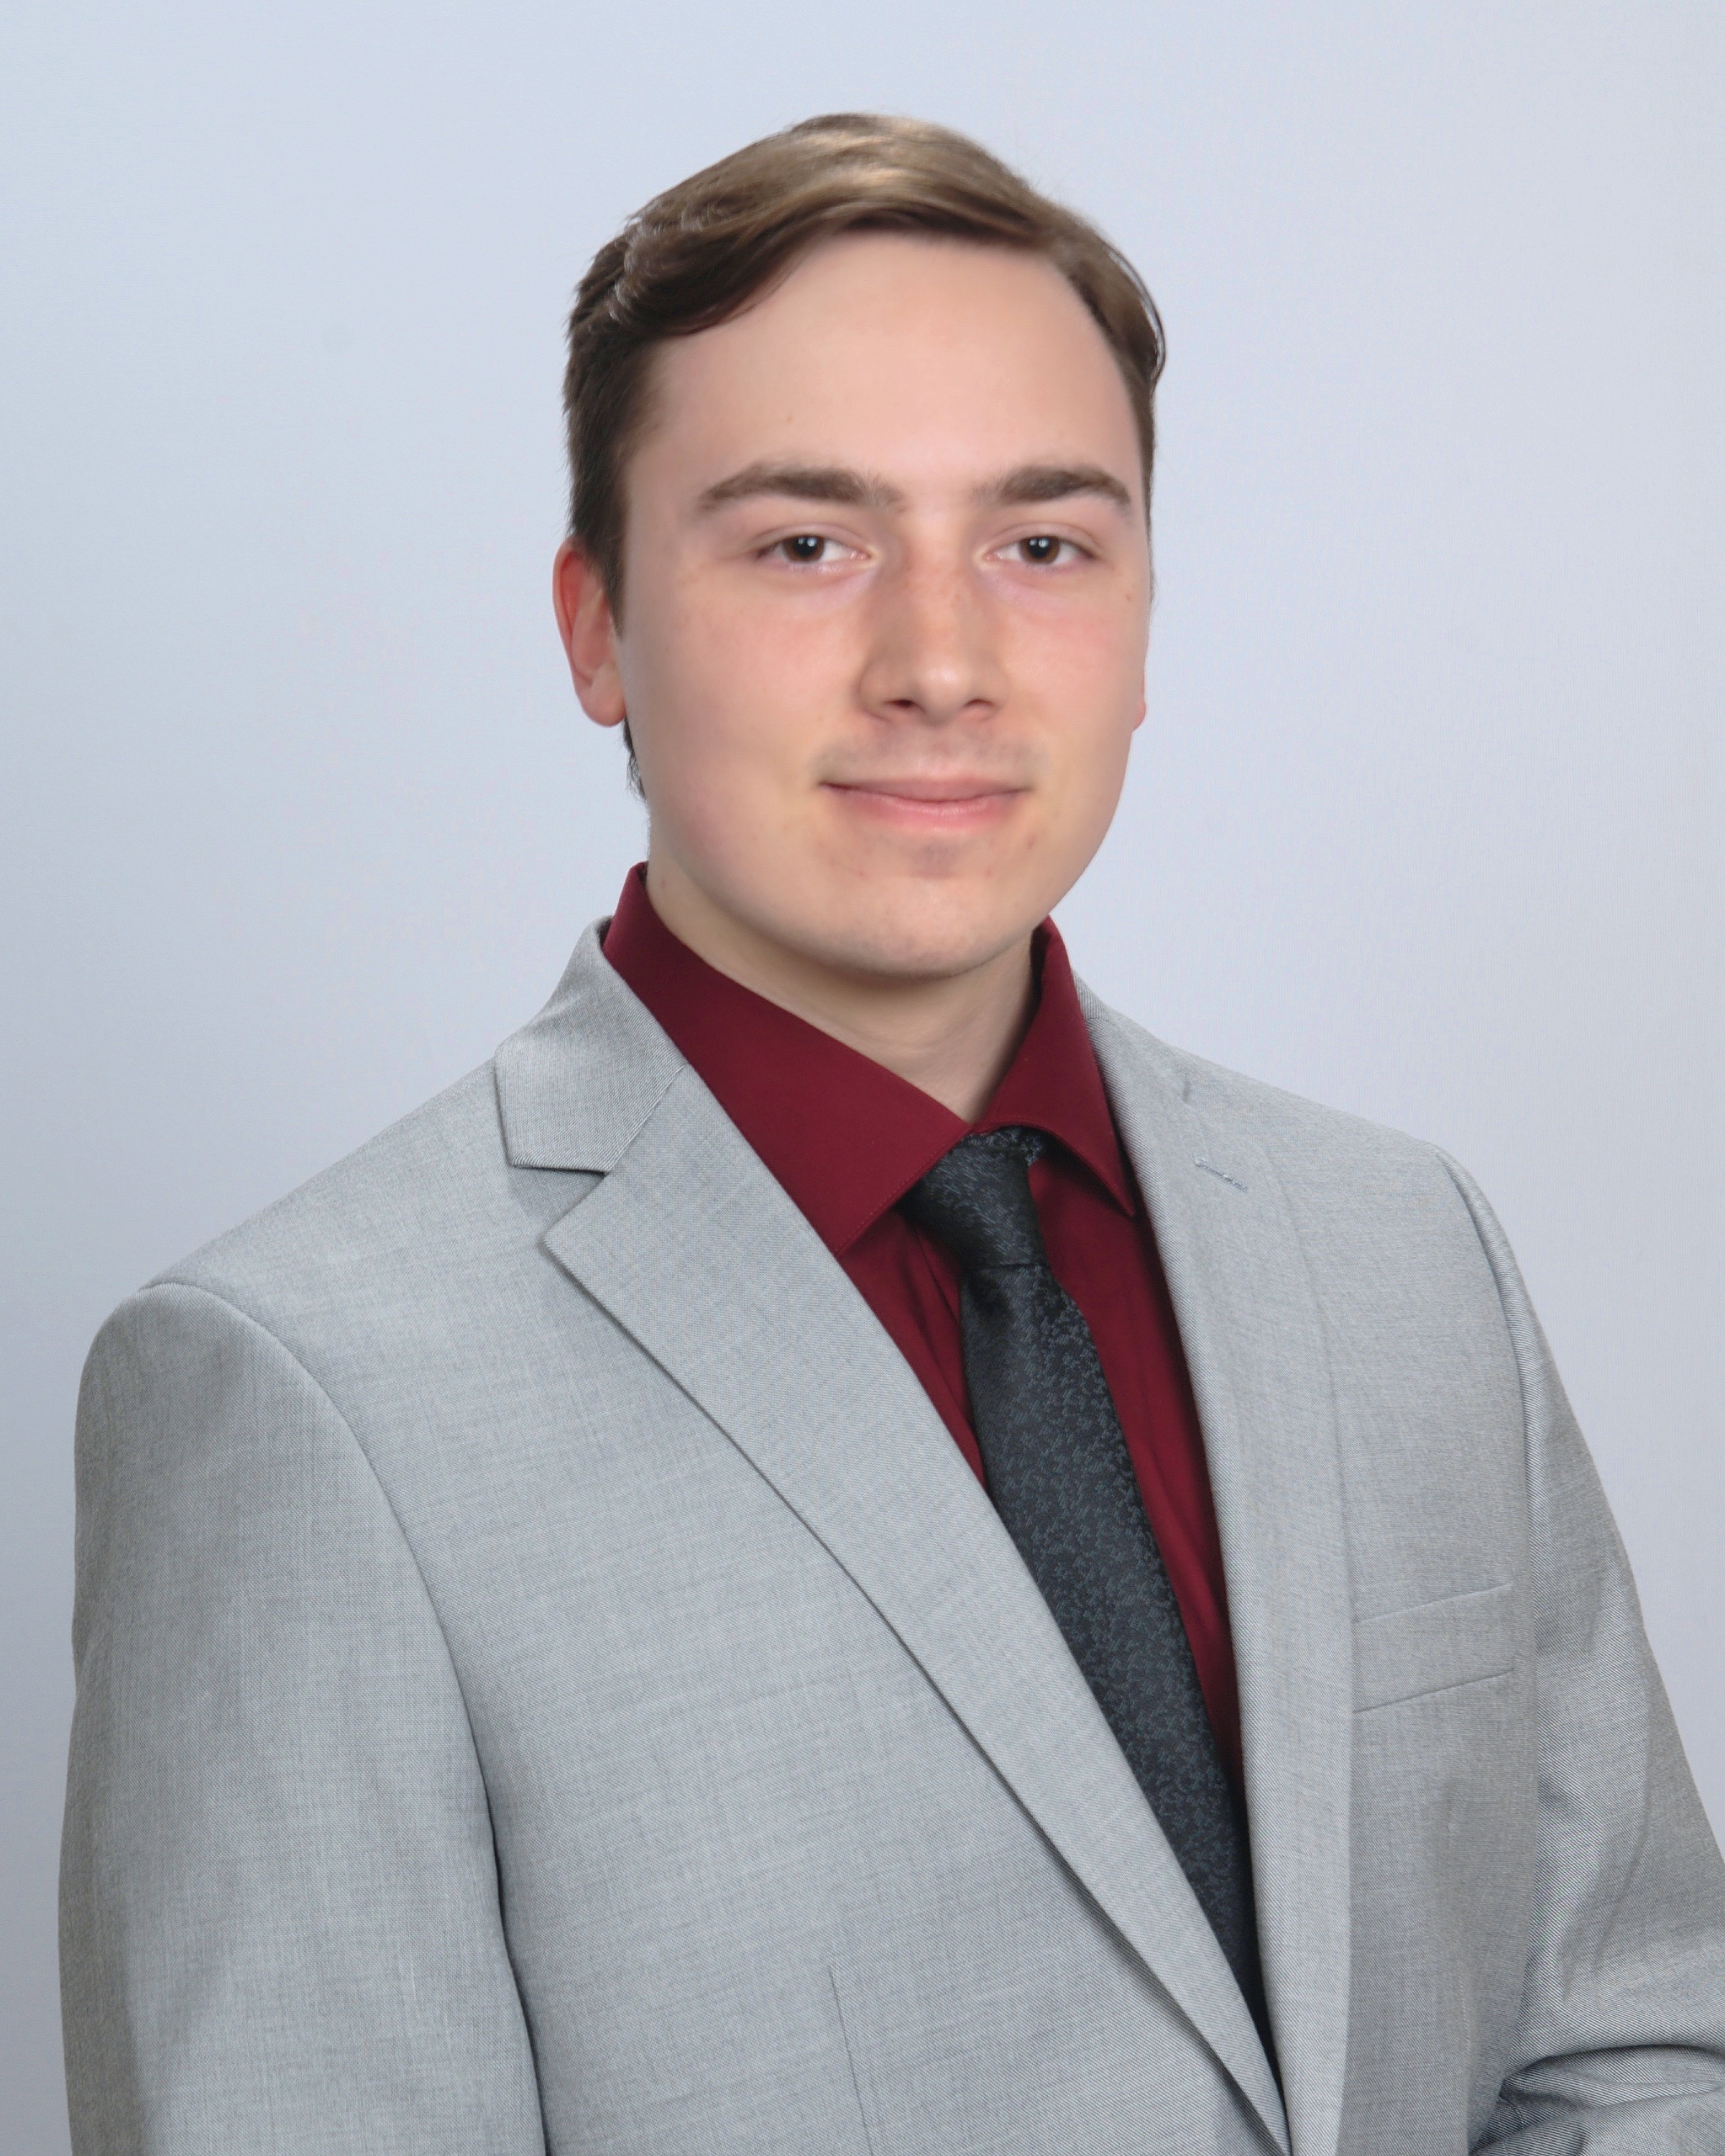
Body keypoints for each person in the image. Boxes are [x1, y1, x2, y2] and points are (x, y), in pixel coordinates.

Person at [60, 112, 1725, 2156]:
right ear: (595, 628)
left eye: (1042, 546)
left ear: (1143, 609)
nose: (942, 665)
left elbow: (1634, 2048)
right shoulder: (300, 1394)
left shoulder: (1403, 1250)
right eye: (805, 544)